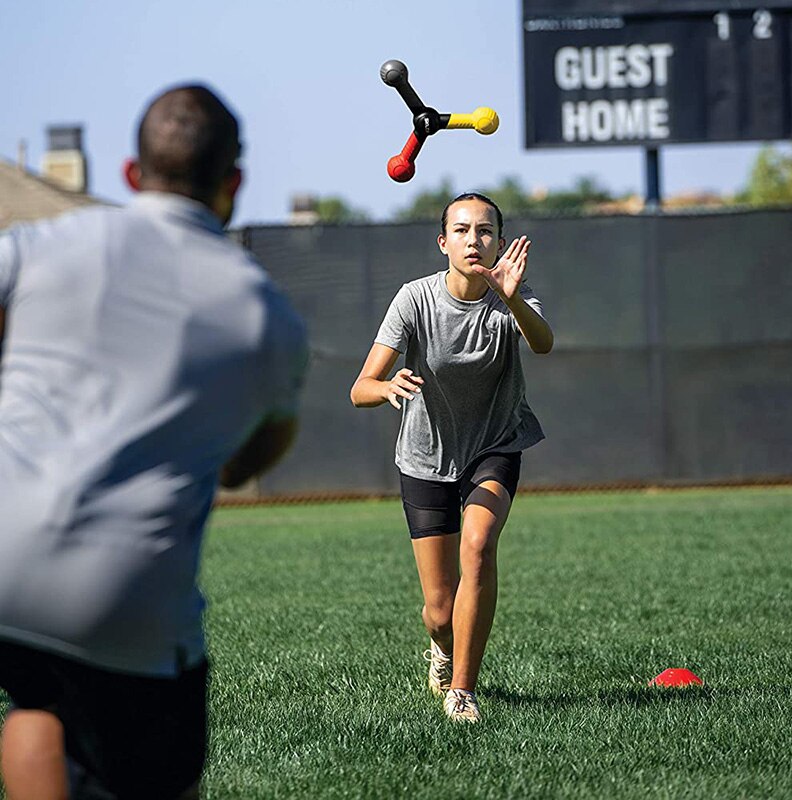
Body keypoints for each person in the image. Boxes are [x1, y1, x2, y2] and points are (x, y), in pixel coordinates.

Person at [0, 84, 308, 799]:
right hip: (124, 599)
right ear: (233, 186)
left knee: (39, 702)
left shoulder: (38, 245)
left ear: (131, 174)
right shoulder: (267, 316)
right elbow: (247, 462)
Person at [350, 193, 553, 724]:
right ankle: (441, 649)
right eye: (461, 231)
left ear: (500, 244)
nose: (473, 240)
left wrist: (511, 299)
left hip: (494, 445)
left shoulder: (513, 296)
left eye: (485, 231)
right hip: (425, 458)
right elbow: (360, 388)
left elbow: (545, 343)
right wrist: (387, 383)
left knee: (479, 545)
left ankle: (462, 690)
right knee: (440, 610)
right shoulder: (414, 300)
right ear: (443, 242)